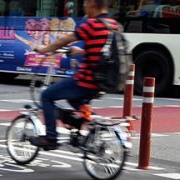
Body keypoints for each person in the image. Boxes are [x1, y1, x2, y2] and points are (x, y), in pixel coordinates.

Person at [29, 0, 119, 150]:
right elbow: (104, 51)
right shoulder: (113, 24)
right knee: (76, 102)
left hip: (86, 80)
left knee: (47, 95)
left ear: (92, 3)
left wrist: (44, 49)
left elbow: (65, 40)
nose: (83, 6)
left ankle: (50, 138)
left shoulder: (92, 24)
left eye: (84, 3)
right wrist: (81, 51)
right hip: (103, 81)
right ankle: (88, 130)